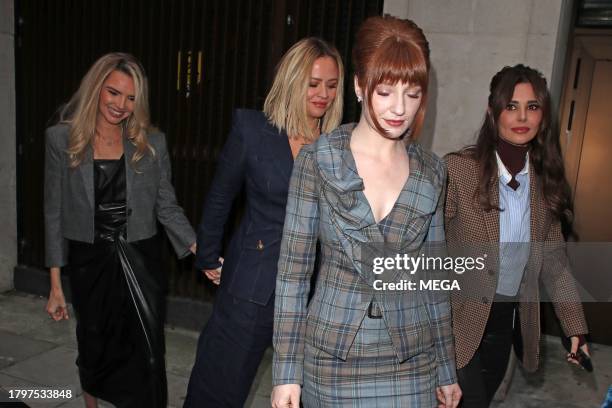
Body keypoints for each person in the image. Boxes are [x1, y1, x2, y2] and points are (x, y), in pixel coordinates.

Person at [271, 16, 461, 408]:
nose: (399, 108)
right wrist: (286, 371)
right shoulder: (318, 161)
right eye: (386, 91)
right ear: (359, 86)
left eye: (412, 94)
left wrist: (446, 367)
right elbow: (293, 273)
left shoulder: (432, 171)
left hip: (411, 357)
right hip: (333, 356)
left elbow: (434, 278)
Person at [184, 37, 344, 407]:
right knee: (217, 390)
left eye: (332, 85)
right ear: (292, 80)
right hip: (253, 282)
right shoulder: (253, 129)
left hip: (314, 294)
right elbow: (221, 196)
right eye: (313, 83)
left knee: (306, 396)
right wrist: (207, 255)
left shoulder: (340, 145)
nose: (324, 94)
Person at [44, 52, 196, 408]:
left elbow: (167, 206)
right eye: (113, 93)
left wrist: (196, 245)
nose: (121, 104)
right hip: (90, 262)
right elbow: (54, 211)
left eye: (130, 98)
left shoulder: (151, 144)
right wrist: (55, 285)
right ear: (96, 88)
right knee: (94, 344)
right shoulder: (61, 139)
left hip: (141, 260)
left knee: (148, 353)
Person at [444, 64, 590, 407]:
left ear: (543, 116)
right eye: (511, 106)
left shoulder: (544, 182)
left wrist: (575, 327)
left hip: (503, 323)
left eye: (532, 106)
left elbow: (555, 264)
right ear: (492, 111)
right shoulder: (459, 170)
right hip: (455, 321)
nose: (522, 116)